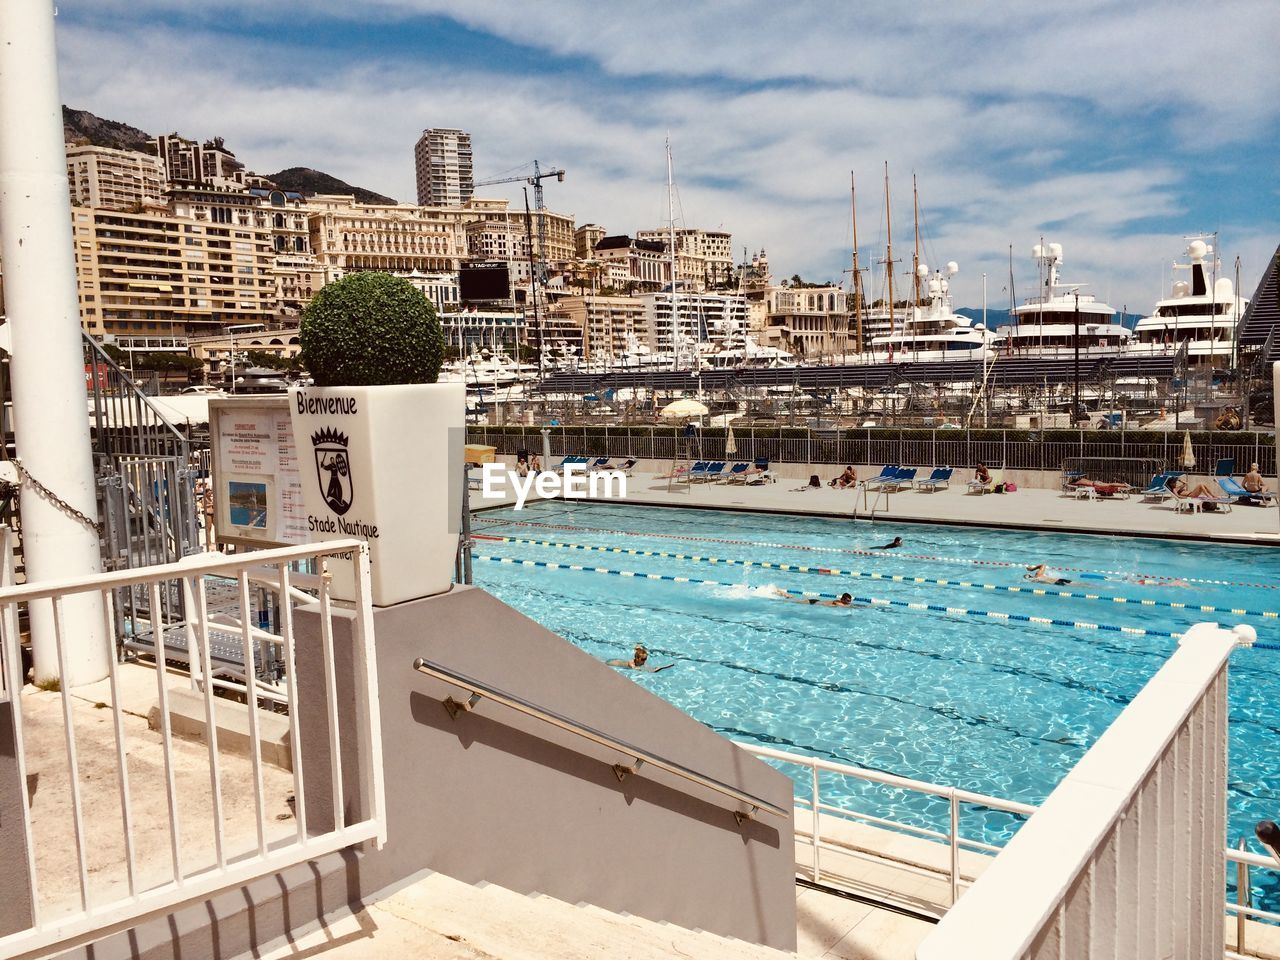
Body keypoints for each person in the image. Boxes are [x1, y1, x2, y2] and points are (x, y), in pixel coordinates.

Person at [608, 644, 674, 672]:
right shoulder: (631, 663)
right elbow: (636, 669)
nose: (644, 661)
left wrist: (656, 668)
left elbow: (648, 668)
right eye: (643, 659)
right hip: (613, 663)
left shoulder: (643, 663)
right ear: (637, 659)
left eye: (645, 659)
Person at [774, 588, 856, 607]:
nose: (849, 602)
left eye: (850, 601)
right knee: (793, 601)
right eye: (848, 601)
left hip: (816, 601)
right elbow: (843, 606)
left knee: (794, 600)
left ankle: (782, 593)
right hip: (813, 602)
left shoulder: (841, 602)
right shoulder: (837, 602)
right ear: (842, 599)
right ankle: (781, 593)